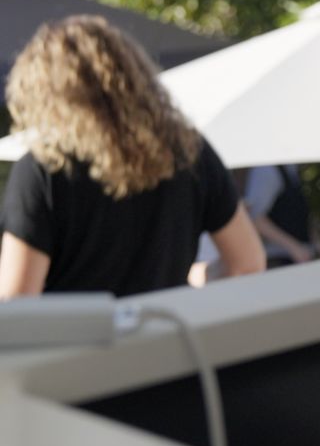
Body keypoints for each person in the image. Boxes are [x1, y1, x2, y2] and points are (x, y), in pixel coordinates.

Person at [0, 16, 265, 297]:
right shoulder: (188, 151)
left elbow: (17, 300)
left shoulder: (45, 168)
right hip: (171, 334)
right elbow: (248, 263)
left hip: (79, 340)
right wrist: (199, 281)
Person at [241, 164, 319, 267]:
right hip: (278, 262)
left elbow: (299, 212)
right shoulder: (265, 170)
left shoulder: (290, 168)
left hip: (301, 258)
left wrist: (316, 243)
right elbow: (254, 217)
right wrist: (294, 248)